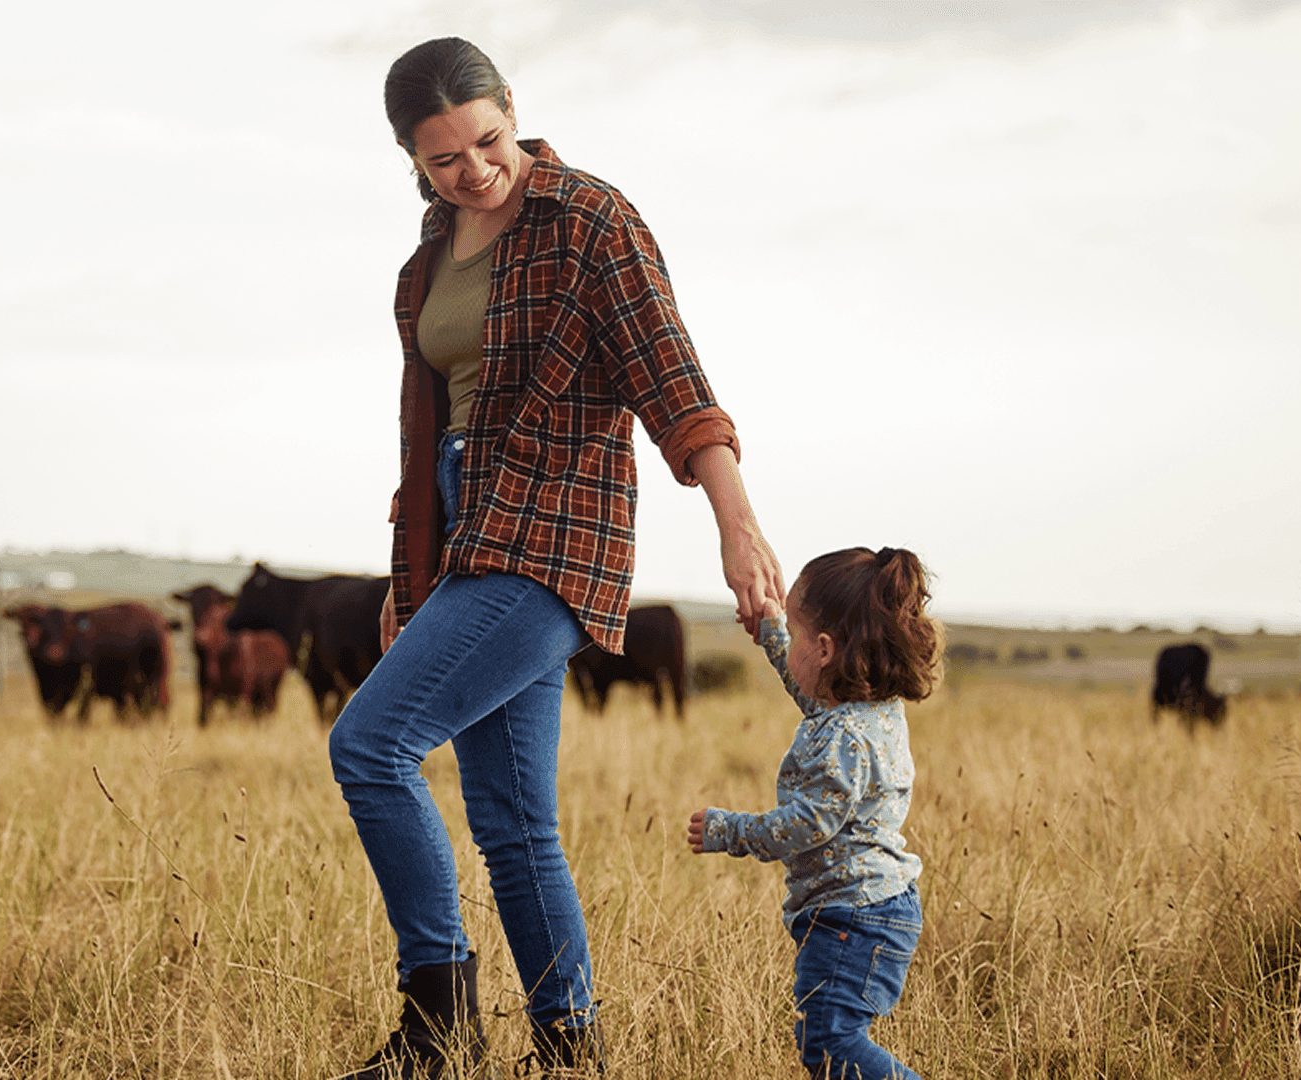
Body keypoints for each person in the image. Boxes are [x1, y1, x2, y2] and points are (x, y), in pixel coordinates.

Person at [327, 37, 784, 1079]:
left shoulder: (590, 219)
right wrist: (414, 575)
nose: (473, 170)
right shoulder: (424, 261)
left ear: (510, 110)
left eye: (486, 142)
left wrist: (735, 519)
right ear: (411, 157)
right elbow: (425, 431)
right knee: (513, 823)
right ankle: (569, 1052)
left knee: (368, 749)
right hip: (460, 532)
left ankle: (437, 1028)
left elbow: (670, 377)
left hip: (553, 534)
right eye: (444, 159)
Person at [687, 547, 940, 1080]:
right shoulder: (867, 710)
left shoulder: (843, 736)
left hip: (853, 916)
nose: (793, 647)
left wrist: (730, 830)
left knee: (829, 1042)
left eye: (799, 636)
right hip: (870, 909)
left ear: (825, 650)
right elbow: (806, 681)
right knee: (826, 1041)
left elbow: (806, 824)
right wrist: (775, 632)